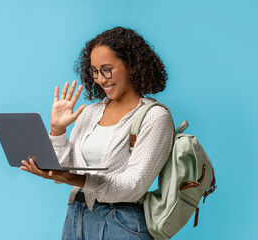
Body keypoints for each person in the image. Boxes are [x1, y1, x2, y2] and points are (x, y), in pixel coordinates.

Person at [20, 27, 174, 240]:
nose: (100, 79)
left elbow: (133, 187)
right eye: (94, 71)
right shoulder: (89, 113)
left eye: (107, 69)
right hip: (76, 216)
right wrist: (57, 130)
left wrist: (71, 178)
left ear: (132, 65)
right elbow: (64, 170)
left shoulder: (155, 117)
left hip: (120, 222)